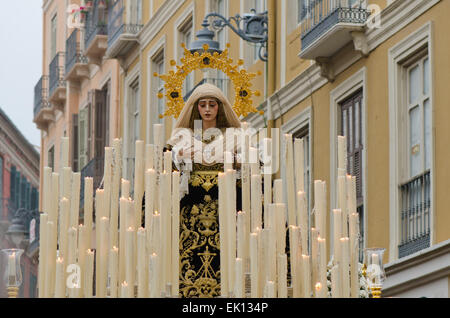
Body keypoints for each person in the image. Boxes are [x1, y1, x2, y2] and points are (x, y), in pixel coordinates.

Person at [166, 83, 243, 298]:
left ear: (220, 107)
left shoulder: (235, 137)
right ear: (195, 108)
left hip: (225, 206)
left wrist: (236, 162)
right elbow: (164, 164)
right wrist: (179, 157)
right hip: (191, 210)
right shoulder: (182, 138)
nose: (207, 109)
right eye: (202, 105)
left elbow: (253, 165)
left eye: (212, 104)